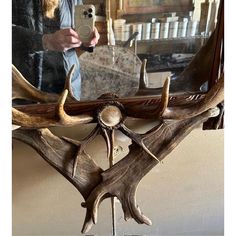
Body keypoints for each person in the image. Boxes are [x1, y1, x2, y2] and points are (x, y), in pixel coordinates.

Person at [12, 0, 100, 100]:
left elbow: (79, 29)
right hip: (25, 90)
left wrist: (87, 40)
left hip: (70, 87)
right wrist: (46, 41)